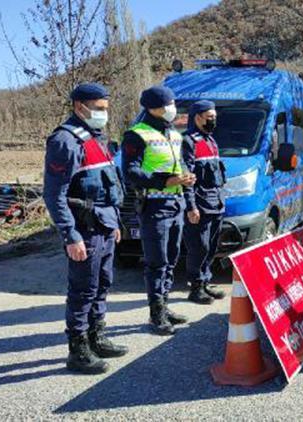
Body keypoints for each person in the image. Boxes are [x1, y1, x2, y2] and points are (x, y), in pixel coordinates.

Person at [43, 83, 127, 374]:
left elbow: (109, 187)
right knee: (83, 290)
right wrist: (70, 235)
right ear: (80, 107)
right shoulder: (65, 141)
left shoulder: (97, 138)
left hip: (104, 228)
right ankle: (77, 350)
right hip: (85, 231)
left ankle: (96, 336)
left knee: (102, 285)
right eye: (99, 108)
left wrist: (115, 223)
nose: (104, 114)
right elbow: (55, 195)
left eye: (106, 108)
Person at [122, 85, 196, 335]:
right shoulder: (136, 134)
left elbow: (181, 165)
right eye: (168, 105)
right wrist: (165, 181)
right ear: (153, 108)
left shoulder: (175, 134)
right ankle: (156, 314)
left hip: (176, 205)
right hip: (154, 205)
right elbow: (131, 172)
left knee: (172, 259)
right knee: (157, 262)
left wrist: (187, 182)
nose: (172, 109)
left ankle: (165, 306)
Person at [182, 100, 227, 304]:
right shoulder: (189, 141)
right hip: (200, 205)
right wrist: (191, 206)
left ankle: (206, 282)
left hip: (216, 203)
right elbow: (187, 178)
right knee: (198, 247)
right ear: (197, 117)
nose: (213, 120)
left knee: (210, 246)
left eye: (214, 116)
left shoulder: (211, 140)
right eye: (210, 117)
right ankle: (196, 287)